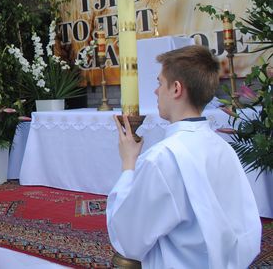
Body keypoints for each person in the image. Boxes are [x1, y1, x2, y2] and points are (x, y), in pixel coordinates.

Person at [106, 45, 262, 268]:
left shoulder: (163, 157)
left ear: (176, 89)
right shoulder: (223, 147)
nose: (156, 91)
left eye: (160, 83)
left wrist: (128, 163)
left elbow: (128, 239)